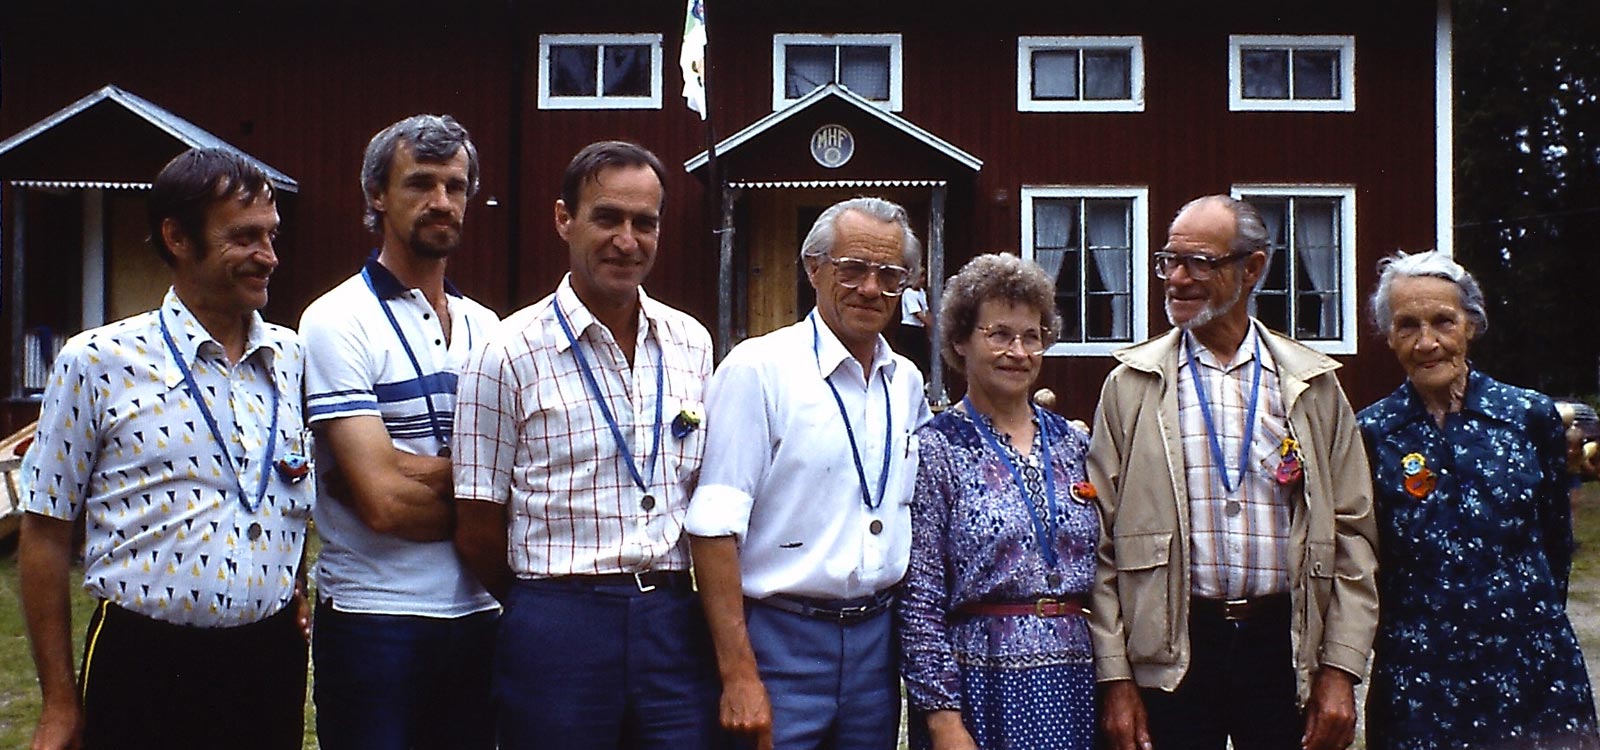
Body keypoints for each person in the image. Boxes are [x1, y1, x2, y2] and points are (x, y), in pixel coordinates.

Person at [18, 147, 314, 750]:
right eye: (245, 238)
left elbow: (281, 485)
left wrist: (294, 583)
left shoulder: (291, 358)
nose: (269, 257)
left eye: (272, 236)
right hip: (145, 664)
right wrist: (57, 703)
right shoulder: (97, 362)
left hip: (268, 661)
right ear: (177, 236)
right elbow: (45, 532)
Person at [452, 140, 721, 749]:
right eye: (607, 218)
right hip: (559, 622)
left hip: (673, 620)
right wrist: (553, 604)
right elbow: (475, 523)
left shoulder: (692, 344)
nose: (627, 241)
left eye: (644, 223)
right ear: (563, 219)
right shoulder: (506, 353)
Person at [1087, 194, 1379, 750]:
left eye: (1199, 262)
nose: (1177, 278)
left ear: (1253, 269)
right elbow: (1100, 545)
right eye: (1168, 261)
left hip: (1282, 646)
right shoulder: (1129, 386)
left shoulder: (1311, 386)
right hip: (1170, 650)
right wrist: (1117, 679)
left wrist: (1339, 669)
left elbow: (1353, 537)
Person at [687, 196, 933, 750]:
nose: (871, 288)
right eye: (853, 269)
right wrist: (739, 675)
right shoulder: (759, 370)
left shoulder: (908, 383)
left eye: (890, 275)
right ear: (813, 269)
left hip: (875, 646)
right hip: (779, 638)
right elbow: (712, 530)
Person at [298, 114, 499, 749]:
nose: (442, 201)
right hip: (374, 621)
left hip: (480, 617)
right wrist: (490, 498)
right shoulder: (336, 320)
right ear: (377, 195)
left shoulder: (489, 328)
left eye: (455, 185)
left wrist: (402, 463)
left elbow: (390, 478)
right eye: (420, 184)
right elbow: (381, 504)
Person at [1357, 250, 1600, 750]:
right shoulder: (1371, 433)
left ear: (1471, 325)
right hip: (1419, 679)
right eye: (1407, 326)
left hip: (1533, 669)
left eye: (1443, 321)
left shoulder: (1529, 417)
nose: (1427, 343)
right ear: (1388, 336)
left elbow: (1556, 536)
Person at [898, 253, 1099, 750]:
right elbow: (920, 598)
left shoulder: (1074, 445)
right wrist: (943, 719)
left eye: (1032, 337)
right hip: (980, 684)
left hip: (1075, 680)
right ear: (960, 341)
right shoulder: (936, 448)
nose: (1018, 351)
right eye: (999, 334)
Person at [896, 269, 932, 377]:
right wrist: (934, 326)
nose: (923, 280)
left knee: (923, 362)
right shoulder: (908, 293)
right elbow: (918, 314)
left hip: (920, 330)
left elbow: (926, 312)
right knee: (912, 359)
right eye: (920, 277)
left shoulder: (921, 293)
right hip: (909, 330)